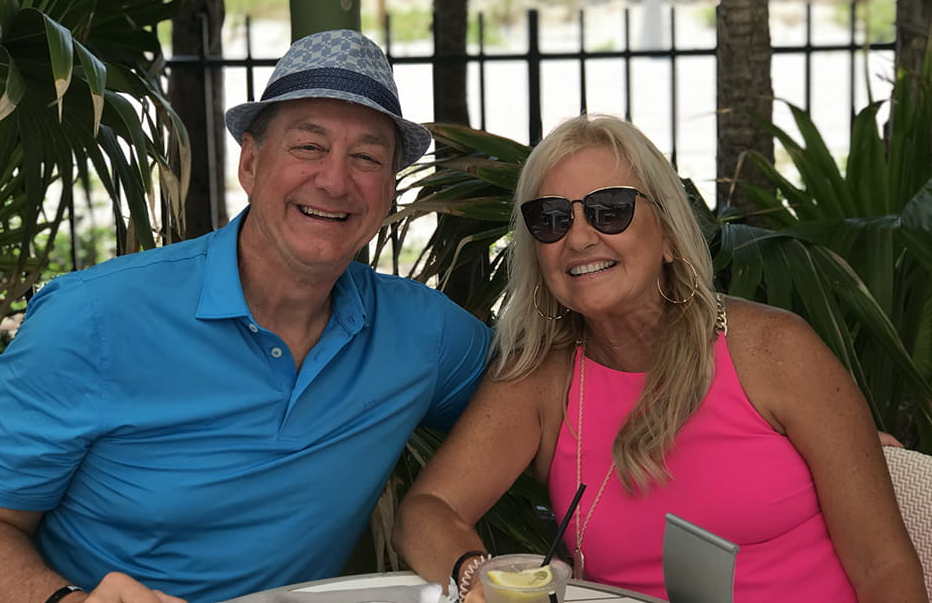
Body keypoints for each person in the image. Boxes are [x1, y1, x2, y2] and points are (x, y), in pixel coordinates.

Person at [0, 29, 493, 603]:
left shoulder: (423, 333)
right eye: (308, 146)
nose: (334, 180)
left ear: (390, 190)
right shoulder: (93, 319)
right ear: (250, 162)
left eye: (368, 157)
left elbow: (551, 392)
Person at [391, 114, 927, 603]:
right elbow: (428, 510)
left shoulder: (772, 350)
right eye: (551, 218)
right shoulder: (542, 379)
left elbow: (884, 570)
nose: (578, 236)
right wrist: (473, 578)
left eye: (611, 210)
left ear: (668, 233)